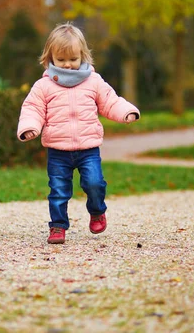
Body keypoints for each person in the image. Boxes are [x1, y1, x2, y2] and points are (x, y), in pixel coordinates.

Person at [17, 22, 140, 244]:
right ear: (50, 58)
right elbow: (32, 109)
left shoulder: (93, 81)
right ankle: (57, 226)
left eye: (73, 59)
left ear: (83, 56)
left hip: (88, 149)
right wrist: (30, 127)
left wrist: (126, 112)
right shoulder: (43, 86)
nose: (68, 65)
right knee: (58, 191)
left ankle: (97, 211)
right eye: (61, 60)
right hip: (58, 150)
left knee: (94, 183)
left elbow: (110, 101)